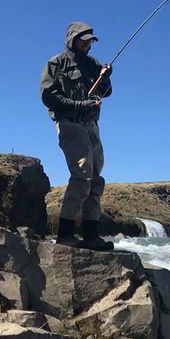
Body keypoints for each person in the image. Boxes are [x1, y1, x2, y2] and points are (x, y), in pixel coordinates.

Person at [40, 21, 114, 250]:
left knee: (95, 177)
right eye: (84, 39)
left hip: (92, 125)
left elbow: (106, 92)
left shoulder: (92, 64)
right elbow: (48, 96)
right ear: (73, 39)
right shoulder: (56, 63)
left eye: (90, 41)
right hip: (69, 124)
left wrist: (106, 76)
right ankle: (65, 234)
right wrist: (79, 104)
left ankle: (91, 236)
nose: (88, 44)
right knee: (82, 175)